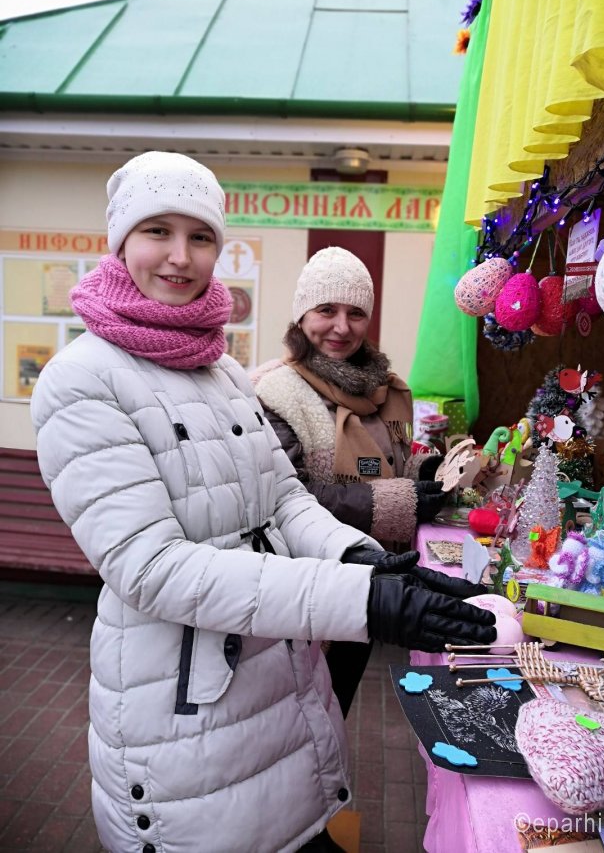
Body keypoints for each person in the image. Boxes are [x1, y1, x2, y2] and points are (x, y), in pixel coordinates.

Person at [30, 152, 495, 853]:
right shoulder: (81, 379)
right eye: (157, 231)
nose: (181, 256)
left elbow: (282, 497)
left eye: (201, 236)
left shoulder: (219, 368)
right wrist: (364, 602)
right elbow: (150, 569)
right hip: (184, 709)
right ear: (120, 241)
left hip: (282, 672)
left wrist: (362, 560)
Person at [254, 246, 447, 716]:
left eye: (356, 313)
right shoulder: (273, 392)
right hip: (307, 591)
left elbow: (383, 465)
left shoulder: (381, 389)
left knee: (333, 710)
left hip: (368, 581)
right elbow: (288, 496)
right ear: (302, 315)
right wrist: (399, 502)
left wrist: (424, 473)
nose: (342, 327)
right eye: (326, 310)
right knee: (297, 715)